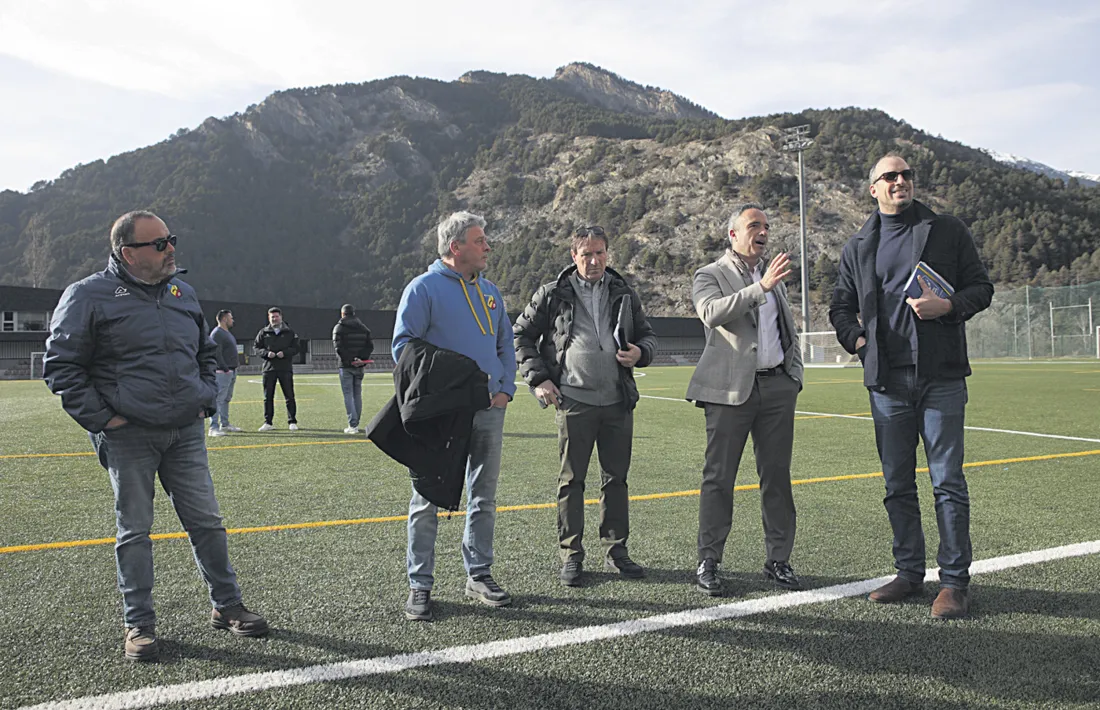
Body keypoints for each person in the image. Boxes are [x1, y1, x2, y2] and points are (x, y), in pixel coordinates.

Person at [43, 210, 267, 662]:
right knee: (135, 531)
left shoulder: (183, 292)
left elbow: (205, 351)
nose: (171, 250)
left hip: (184, 430)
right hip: (128, 436)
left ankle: (227, 605)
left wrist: (203, 396)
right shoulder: (87, 296)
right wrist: (104, 420)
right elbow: (62, 366)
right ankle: (139, 623)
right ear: (128, 252)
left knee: (207, 522)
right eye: (160, 244)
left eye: (171, 240)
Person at [829, 153, 993, 619]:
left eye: (906, 175)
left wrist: (949, 307)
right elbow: (840, 307)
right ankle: (908, 572)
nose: (901, 181)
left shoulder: (946, 230)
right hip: (886, 381)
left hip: (940, 376)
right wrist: (859, 342)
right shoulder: (859, 244)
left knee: (947, 482)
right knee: (897, 483)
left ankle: (955, 583)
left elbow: (982, 288)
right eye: (890, 176)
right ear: (874, 188)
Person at [514, 225, 657, 587]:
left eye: (600, 253)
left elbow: (647, 336)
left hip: (617, 401)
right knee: (571, 481)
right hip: (574, 400)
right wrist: (539, 379)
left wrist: (641, 353)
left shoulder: (624, 292)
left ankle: (616, 550)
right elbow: (521, 334)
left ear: (608, 254)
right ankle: (571, 554)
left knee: (616, 480)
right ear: (573, 256)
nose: (594, 261)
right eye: (586, 254)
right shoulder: (552, 294)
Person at [392, 211, 516, 621]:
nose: (487, 247)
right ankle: (420, 585)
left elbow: (505, 347)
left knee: (484, 495)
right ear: (455, 247)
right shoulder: (423, 288)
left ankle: (478, 573)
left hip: (488, 410)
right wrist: (448, 387)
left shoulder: (492, 293)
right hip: (442, 415)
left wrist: (504, 389)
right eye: (480, 241)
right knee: (426, 496)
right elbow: (404, 348)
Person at [685, 203, 804, 597]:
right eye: (754, 225)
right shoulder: (710, 274)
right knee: (719, 478)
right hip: (729, 392)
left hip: (777, 388)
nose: (763, 231)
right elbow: (710, 313)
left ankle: (778, 559)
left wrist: (794, 376)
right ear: (733, 235)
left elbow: (787, 330)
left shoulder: (777, 279)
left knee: (777, 477)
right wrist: (760, 288)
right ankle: (709, 560)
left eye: (767, 226)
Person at [254, 307, 299, 431]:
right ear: (269, 318)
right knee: (268, 397)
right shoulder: (263, 332)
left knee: (289, 395)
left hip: (285, 368)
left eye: (276, 316)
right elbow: (256, 348)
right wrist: (266, 353)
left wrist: (285, 353)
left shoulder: (289, 332)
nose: (274, 319)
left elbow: (296, 348)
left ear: (281, 317)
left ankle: (292, 421)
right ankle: (268, 422)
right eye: (272, 317)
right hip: (269, 369)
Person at [332, 304, 374, 434]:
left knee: (348, 395)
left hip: (346, 366)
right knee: (357, 394)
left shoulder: (339, 328)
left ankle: (352, 424)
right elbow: (370, 346)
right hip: (360, 365)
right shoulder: (363, 328)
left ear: (342, 314)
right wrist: (361, 359)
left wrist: (351, 360)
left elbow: (339, 348)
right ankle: (356, 423)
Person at [208, 309, 241, 436]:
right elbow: (216, 352)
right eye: (231, 318)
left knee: (226, 398)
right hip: (222, 372)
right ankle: (213, 427)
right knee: (218, 399)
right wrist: (225, 368)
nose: (233, 320)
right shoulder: (217, 333)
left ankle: (225, 423)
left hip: (231, 371)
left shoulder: (227, 333)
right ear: (224, 319)